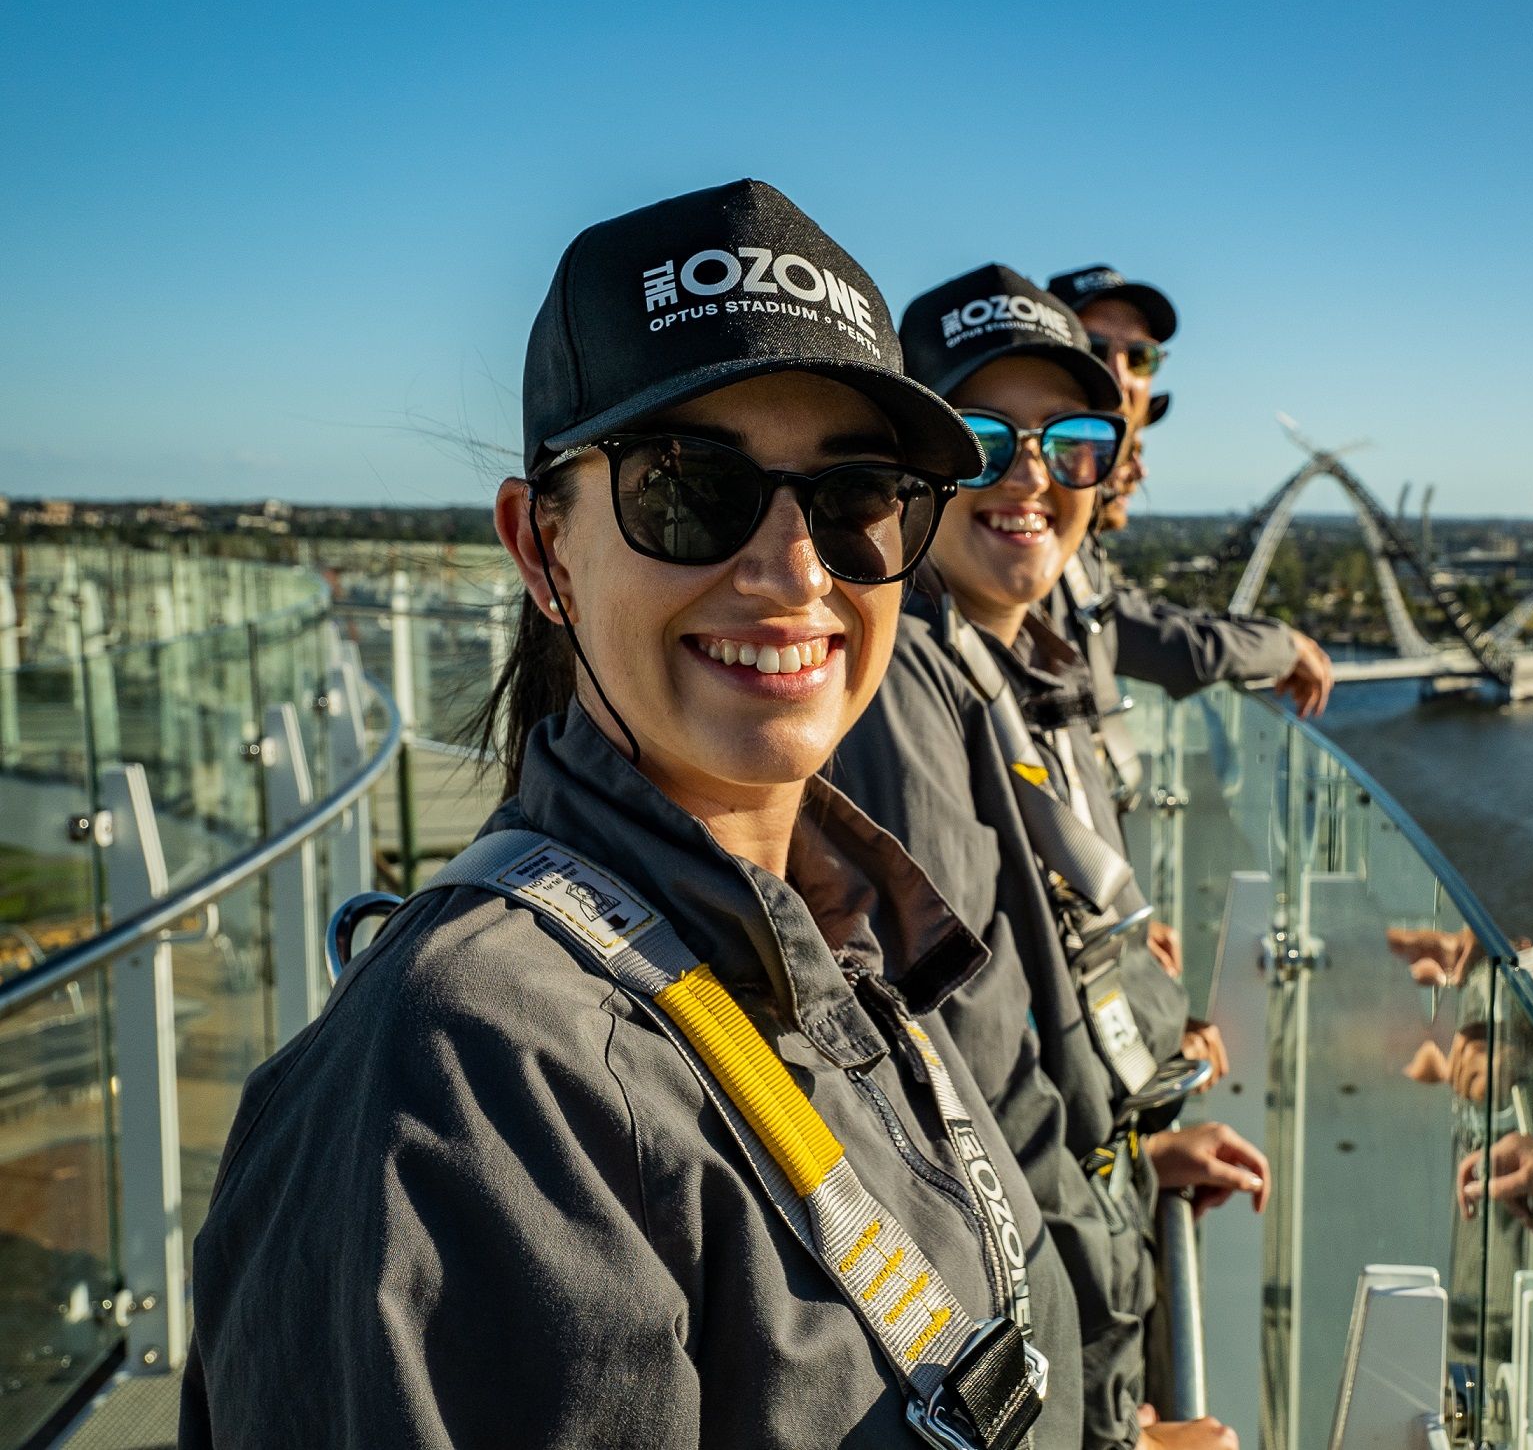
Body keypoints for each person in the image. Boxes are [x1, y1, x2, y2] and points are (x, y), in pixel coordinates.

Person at [181, 181, 1079, 1449]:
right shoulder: (469, 1079)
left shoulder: (838, 948)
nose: (794, 571)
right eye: (688, 488)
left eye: (856, 495)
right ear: (542, 548)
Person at [836, 263, 1262, 1450]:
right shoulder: (905, 689)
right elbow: (972, 1099)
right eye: (981, 441)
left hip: (1087, 1222)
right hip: (1041, 1329)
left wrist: (1137, 1151)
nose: (1031, 477)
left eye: (1068, 444)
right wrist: (1108, 1439)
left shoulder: (995, 659)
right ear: (910, 468)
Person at [1044, 265, 1334, 720]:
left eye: (1140, 358)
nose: (1119, 375)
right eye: (1093, 349)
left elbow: (1127, 619)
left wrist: (1277, 643)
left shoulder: (1068, 544)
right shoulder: (1021, 519)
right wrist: (1277, 646)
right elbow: (1141, 636)